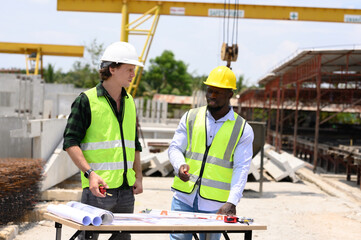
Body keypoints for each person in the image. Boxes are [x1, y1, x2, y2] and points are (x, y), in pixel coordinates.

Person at [63, 41, 144, 240]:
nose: (133, 74)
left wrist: (139, 176)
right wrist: (90, 174)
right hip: (98, 188)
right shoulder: (86, 100)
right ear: (112, 69)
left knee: (122, 238)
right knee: (88, 238)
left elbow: (134, 144)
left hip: (126, 190)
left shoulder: (130, 102)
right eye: (129, 69)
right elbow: (70, 141)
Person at [168, 66, 254, 240]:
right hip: (183, 198)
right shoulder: (190, 117)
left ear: (230, 94)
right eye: (209, 90)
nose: (212, 95)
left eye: (218, 92)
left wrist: (232, 201)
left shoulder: (242, 129)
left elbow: (241, 169)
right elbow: (175, 148)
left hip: (214, 204)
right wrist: (179, 165)